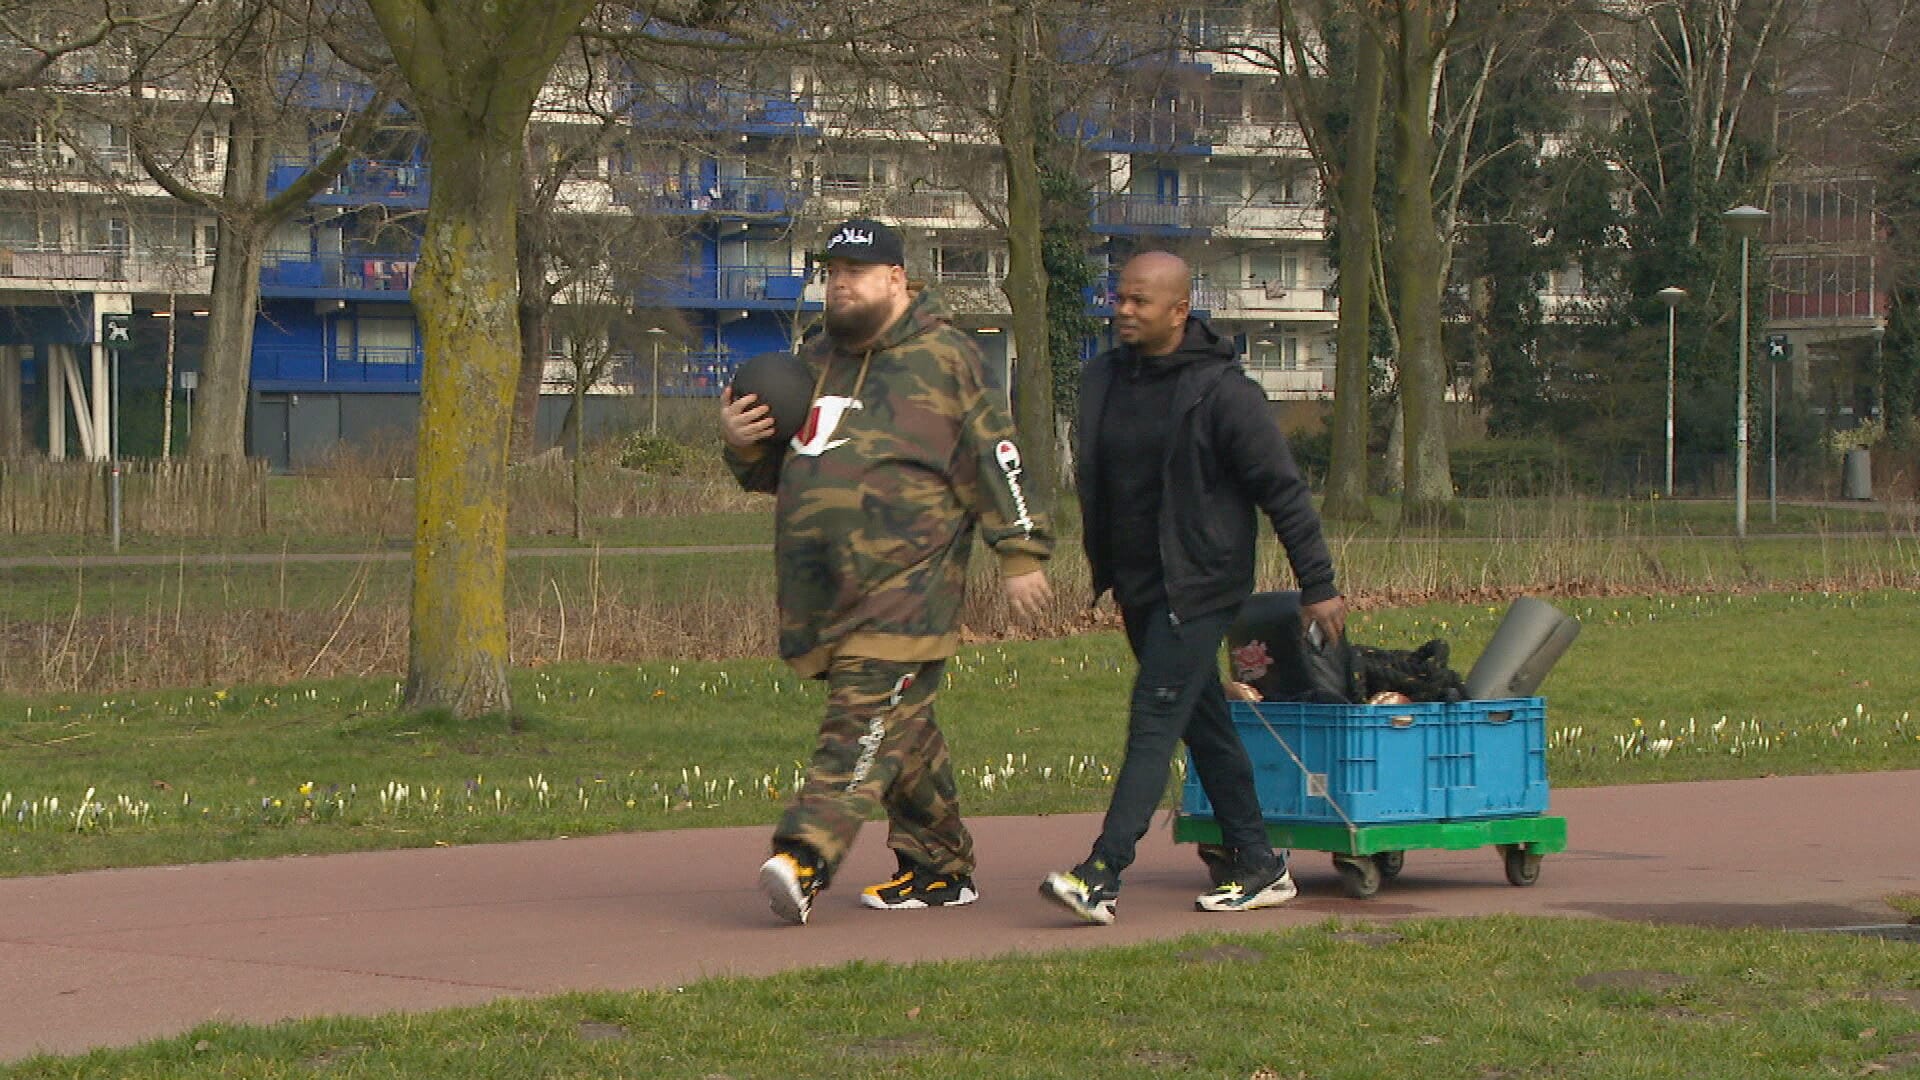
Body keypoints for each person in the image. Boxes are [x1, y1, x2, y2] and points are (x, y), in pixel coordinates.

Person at [721, 218, 1055, 926]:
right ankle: (940, 867)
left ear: (897, 280)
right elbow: (777, 473)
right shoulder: (815, 363)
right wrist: (742, 447)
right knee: (904, 727)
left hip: (912, 585)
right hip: (825, 592)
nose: (839, 285)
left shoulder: (947, 357)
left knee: (861, 720)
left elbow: (996, 454)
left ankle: (805, 857)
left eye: (856, 273)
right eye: (832, 273)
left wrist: (1020, 552)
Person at [1039, 250, 1347, 925]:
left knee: (1154, 718)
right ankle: (1260, 862)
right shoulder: (1104, 380)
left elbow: (1284, 494)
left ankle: (1102, 870)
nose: (1122, 310)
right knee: (1203, 723)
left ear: (1178, 311)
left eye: (1138, 301)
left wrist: (1317, 584)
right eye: (1119, 298)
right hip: (1138, 585)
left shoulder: (1226, 394)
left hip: (1201, 585)